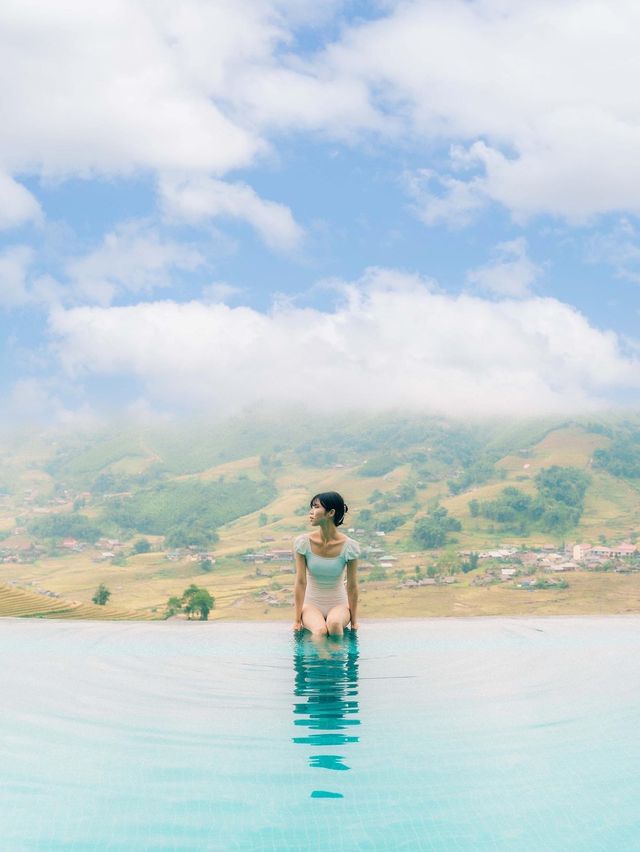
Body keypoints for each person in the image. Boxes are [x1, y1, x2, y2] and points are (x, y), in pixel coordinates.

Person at [292, 491, 360, 636]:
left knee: (334, 624)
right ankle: (323, 659)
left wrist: (354, 621)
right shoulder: (303, 543)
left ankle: (335, 659)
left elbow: (352, 585)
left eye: (316, 507)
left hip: (339, 604)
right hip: (311, 605)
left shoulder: (349, 546)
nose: (311, 512)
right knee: (320, 631)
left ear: (331, 513)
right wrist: (297, 619)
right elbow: (300, 581)